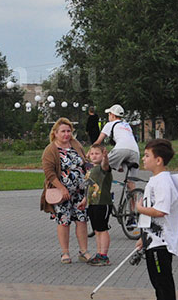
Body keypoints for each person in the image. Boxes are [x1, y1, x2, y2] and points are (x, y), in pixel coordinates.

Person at [134, 139, 178, 300]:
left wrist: (141, 209)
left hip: (161, 245)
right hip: (153, 241)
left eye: (147, 156)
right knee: (160, 287)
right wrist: (144, 236)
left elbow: (161, 211)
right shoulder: (155, 180)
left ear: (159, 160)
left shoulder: (163, 181)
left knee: (163, 287)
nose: (143, 159)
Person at [41, 117, 91, 264]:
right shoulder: (51, 150)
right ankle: (65, 252)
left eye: (69, 131)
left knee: (81, 220)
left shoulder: (76, 145)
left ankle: (84, 251)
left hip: (79, 192)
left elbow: (84, 162)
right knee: (64, 220)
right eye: (63, 131)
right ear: (55, 133)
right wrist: (62, 188)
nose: (66, 134)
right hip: (61, 192)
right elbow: (49, 173)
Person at [90, 104, 140, 176]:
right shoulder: (127, 125)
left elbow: (98, 142)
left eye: (109, 114)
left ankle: (97, 185)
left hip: (121, 148)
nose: (108, 117)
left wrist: (89, 153)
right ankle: (132, 186)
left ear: (112, 115)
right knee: (130, 180)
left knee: (103, 165)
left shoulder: (110, 124)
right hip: (135, 151)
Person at [84, 143, 112, 266]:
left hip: (102, 203)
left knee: (102, 229)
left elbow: (106, 165)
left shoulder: (103, 168)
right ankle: (99, 253)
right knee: (96, 230)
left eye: (97, 153)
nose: (94, 156)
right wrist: (84, 200)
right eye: (92, 153)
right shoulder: (91, 169)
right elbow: (89, 187)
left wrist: (105, 158)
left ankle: (104, 255)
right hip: (92, 203)